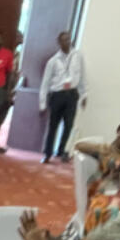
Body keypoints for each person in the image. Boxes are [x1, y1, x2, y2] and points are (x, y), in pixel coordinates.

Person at [74, 120, 120, 231]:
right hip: (105, 188)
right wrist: (102, 150)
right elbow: (78, 145)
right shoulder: (106, 149)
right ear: (118, 131)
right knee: (106, 210)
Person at [39, 31, 86, 163]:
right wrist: (42, 103)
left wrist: (84, 94)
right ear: (59, 42)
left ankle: (62, 151)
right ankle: (47, 153)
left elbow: (83, 76)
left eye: (68, 39)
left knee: (68, 125)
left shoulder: (78, 56)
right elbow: (45, 83)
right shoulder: (53, 61)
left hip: (72, 94)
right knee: (53, 125)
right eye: (64, 40)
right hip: (57, 95)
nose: (67, 42)